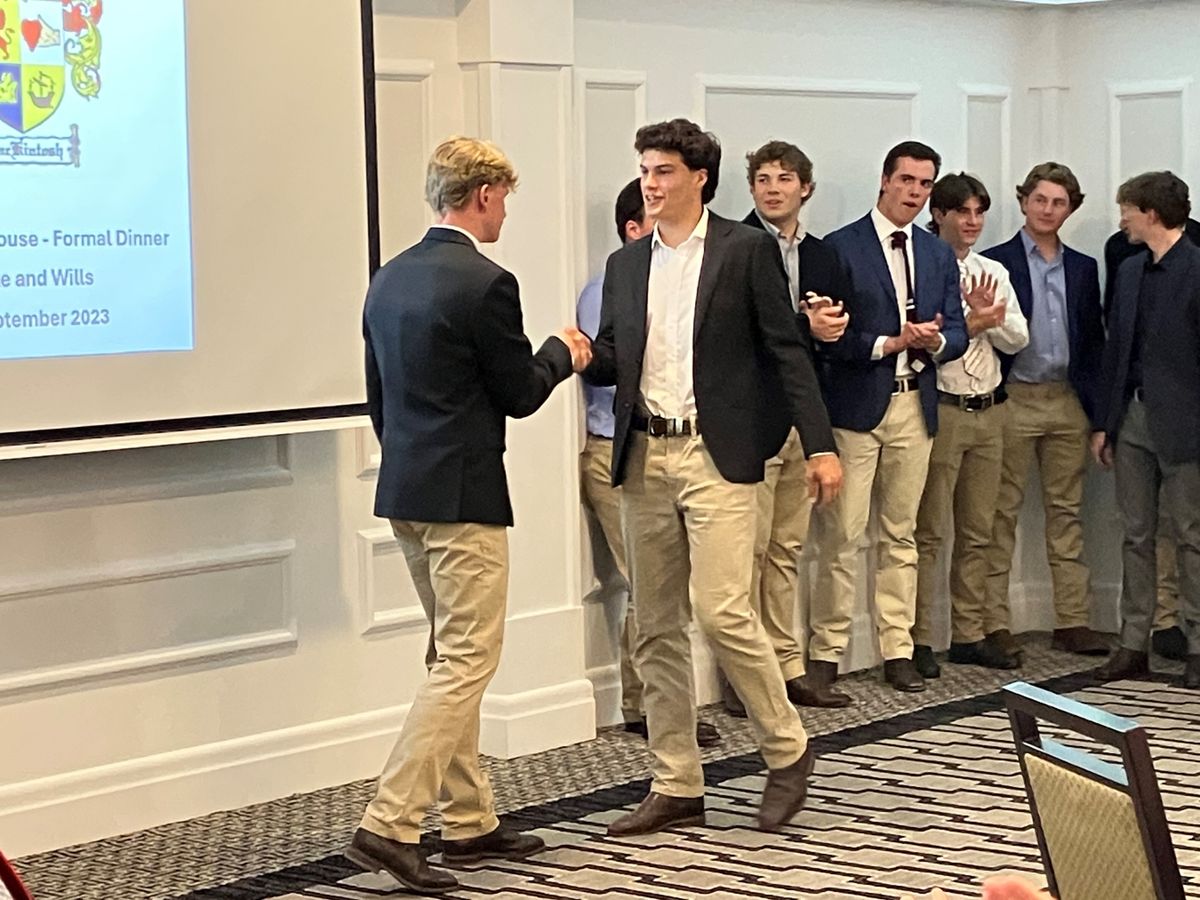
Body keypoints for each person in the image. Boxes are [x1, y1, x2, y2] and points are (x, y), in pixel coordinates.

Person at [583, 118, 843, 836]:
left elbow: (787, 352)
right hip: (644, 456)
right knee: (655, 624)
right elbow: (616, 357)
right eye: (645, 170)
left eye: (663, 171)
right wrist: (577, 355)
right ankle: (676, 781)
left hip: (716, 453)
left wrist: (820, 446)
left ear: (699, 178)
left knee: (724, 609)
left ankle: (787, 747)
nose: (650, 183)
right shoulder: (625, 265)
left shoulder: (744, 250)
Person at [347, 136, 592, 894]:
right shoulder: (487, 282)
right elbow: (518, 392)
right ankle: (389, 822)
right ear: (483, 194)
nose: (505, 213)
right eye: (505, 198)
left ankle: (469, 822)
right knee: (466, 661)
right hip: (463, 499)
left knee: (447, 657)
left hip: (406, 492)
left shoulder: (387, 279)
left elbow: (378, 399)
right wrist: (563, 352)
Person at [810, 141, 968, 694]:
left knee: (900, 535)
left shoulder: (937, 252)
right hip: (857, 406)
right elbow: (831, 340)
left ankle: (897, 649)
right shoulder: (841, 246)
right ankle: (826, 652)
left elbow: (959, 331)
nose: (914, 193)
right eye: (906, 181)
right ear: (884, 180)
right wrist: (890, 342)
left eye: (924, 185)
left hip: (914, 404)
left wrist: (934, 341)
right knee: (842, 536)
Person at [577, 178, 721, 747]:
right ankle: (647, 705)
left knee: (667, 590)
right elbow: (611, 365)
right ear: (633, 229)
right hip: (618, 449)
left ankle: (658, 704)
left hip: (675, 448)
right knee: (650, 587)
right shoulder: (609, 286)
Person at [723, 139, 853, 713]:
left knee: (786, 548)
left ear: (806, 188)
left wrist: (832, 328)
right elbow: (740, 335)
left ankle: (785, 665)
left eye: (783, 179)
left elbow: (839, 332)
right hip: (752, 417)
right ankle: (741, 673)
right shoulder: (733, 246)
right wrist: (807, 328)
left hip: (805, 417)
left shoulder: (824, 254)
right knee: (748, 552)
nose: (772, 189)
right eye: (762, 179)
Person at [981, 162, 1109, 659]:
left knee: (1067, 513)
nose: (1048, 210)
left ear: (1070, 209)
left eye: (1058, 202)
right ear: (1023, 202)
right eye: (1040, 200)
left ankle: (1073, 620)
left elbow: (1093, 344)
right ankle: (994, 622)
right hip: (1014, 396)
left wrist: (1099, 417)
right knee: (1000, 513)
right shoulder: (996, 261)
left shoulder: (1083, 267)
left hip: (1066, 399)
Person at [912, 173, 1029, 677]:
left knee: (979, 530)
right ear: (939, 214)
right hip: (944, 408)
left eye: (979, 212)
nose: (973, 221)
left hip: (991, 410)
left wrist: (985, 320)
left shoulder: (992, 271)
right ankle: (918, 638)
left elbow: (1019, 338)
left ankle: (968, 634)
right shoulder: (924, 267)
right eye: (963, 212)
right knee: (929, 532)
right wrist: (974, 322)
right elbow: (928, 345)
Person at [1093, 171, 1200, 690]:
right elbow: (1117, 351)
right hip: (1132, 417)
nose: (1123, 221)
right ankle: (1133, 643)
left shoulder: (1198, 269)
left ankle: (1197, 645)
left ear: (1151, 214)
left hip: (1187, 423)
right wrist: (1104, 423)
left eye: (1128, 211)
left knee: (1191, 536)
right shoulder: (1130, 268)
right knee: (1135, 534)